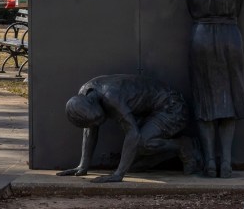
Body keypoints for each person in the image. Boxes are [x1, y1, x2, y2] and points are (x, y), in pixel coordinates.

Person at [184, 0, 244, 178]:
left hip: (200, 35)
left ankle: (210, 161)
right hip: (230, 34)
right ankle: (227, 162)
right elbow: (240, 9)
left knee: (205, 99)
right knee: (231, 96)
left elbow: (190, 9)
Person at [57, 74, 199, 183]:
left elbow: (133, 134)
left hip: (173, 108)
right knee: (133, 165)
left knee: (141, 143)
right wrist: (83, 166)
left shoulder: (110, 96)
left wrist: (118, 174)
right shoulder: (85, 93)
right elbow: (90, 129)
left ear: (93, 103)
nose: (99, 124)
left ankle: (183, 146)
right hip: (150, 113)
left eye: (100, 119)